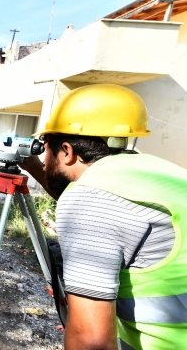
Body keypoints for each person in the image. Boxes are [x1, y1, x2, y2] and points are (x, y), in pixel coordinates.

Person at [20, 84, 187, 350]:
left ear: (66, 150)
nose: (43, 155)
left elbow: (91, 342)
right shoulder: (160, 172)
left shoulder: (90, 199)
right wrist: (33, 169)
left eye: (45, 147)